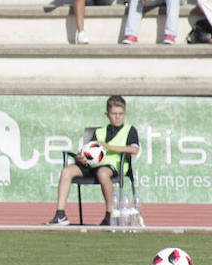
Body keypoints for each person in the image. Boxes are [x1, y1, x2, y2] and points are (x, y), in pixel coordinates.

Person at [45, 95, 140, 227]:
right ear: (107, 114)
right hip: (92, 165)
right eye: (114, 114)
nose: (117, 117)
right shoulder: (99, 132)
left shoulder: (130, 130)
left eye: (120, 114)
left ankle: (109, 215)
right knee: (67, 171)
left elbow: (134, 150)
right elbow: (87, 150)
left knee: (102, 173)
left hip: (114, 165)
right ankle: (60, 215)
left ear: (124, 114)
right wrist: (80, 157)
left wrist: (109, 147)